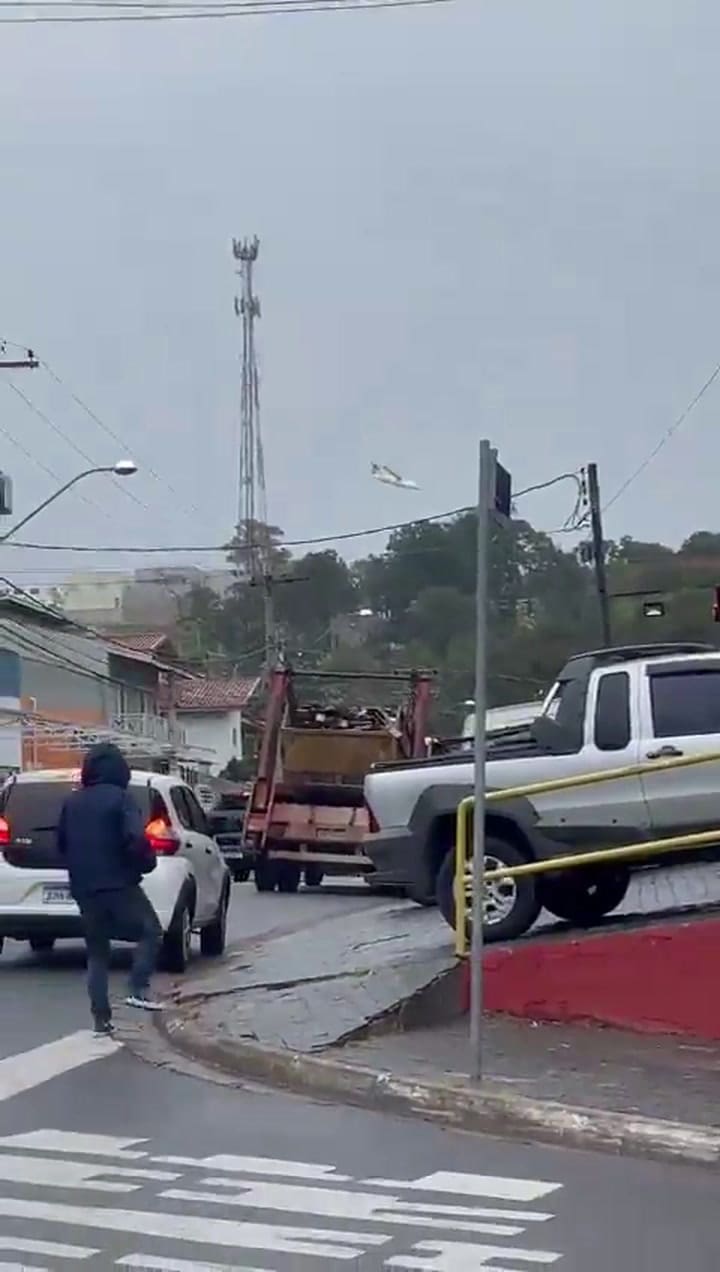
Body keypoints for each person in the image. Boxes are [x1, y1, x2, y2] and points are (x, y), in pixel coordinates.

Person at [57, 742, 163, 1035]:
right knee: (150, 930)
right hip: (118, 882)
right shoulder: (122, 798)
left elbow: (61, 844)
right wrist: (145, 862)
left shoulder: (72, 802)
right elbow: (134, 838)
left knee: (97, 951)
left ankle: (100, 1018)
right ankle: (137, 988)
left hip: (84, 887)